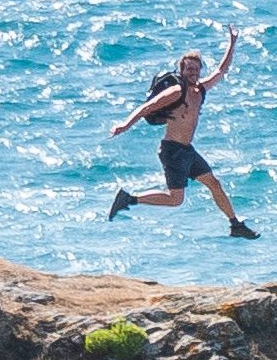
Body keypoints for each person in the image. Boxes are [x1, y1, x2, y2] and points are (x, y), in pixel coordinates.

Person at [104, 25, 258, 239]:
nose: (193, 73)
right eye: (188, 69)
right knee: (176, 199)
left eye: (196, 69)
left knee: (214, 183)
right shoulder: (177, 91)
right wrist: (124, 125)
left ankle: (235, 225)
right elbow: (146, 108)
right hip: (172, 150)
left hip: (187, 150)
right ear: (182, 71)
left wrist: (232, 43)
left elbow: (221, 71)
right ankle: (129, 199)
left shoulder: (201, 90)